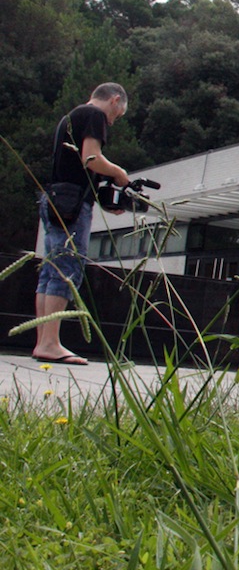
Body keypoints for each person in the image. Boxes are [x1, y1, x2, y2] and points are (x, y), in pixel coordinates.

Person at [33, 83, 131, 365]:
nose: (113, 121)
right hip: (72, 204)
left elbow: (77, 163)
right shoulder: (94, 115)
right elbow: (91, 158)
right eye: (118, 115)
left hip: (56, 198)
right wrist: (119, 173)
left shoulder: (70, 116)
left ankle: (43, 341)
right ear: (114, 100)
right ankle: (51, 343)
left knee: (50, 271)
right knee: (67, 269)